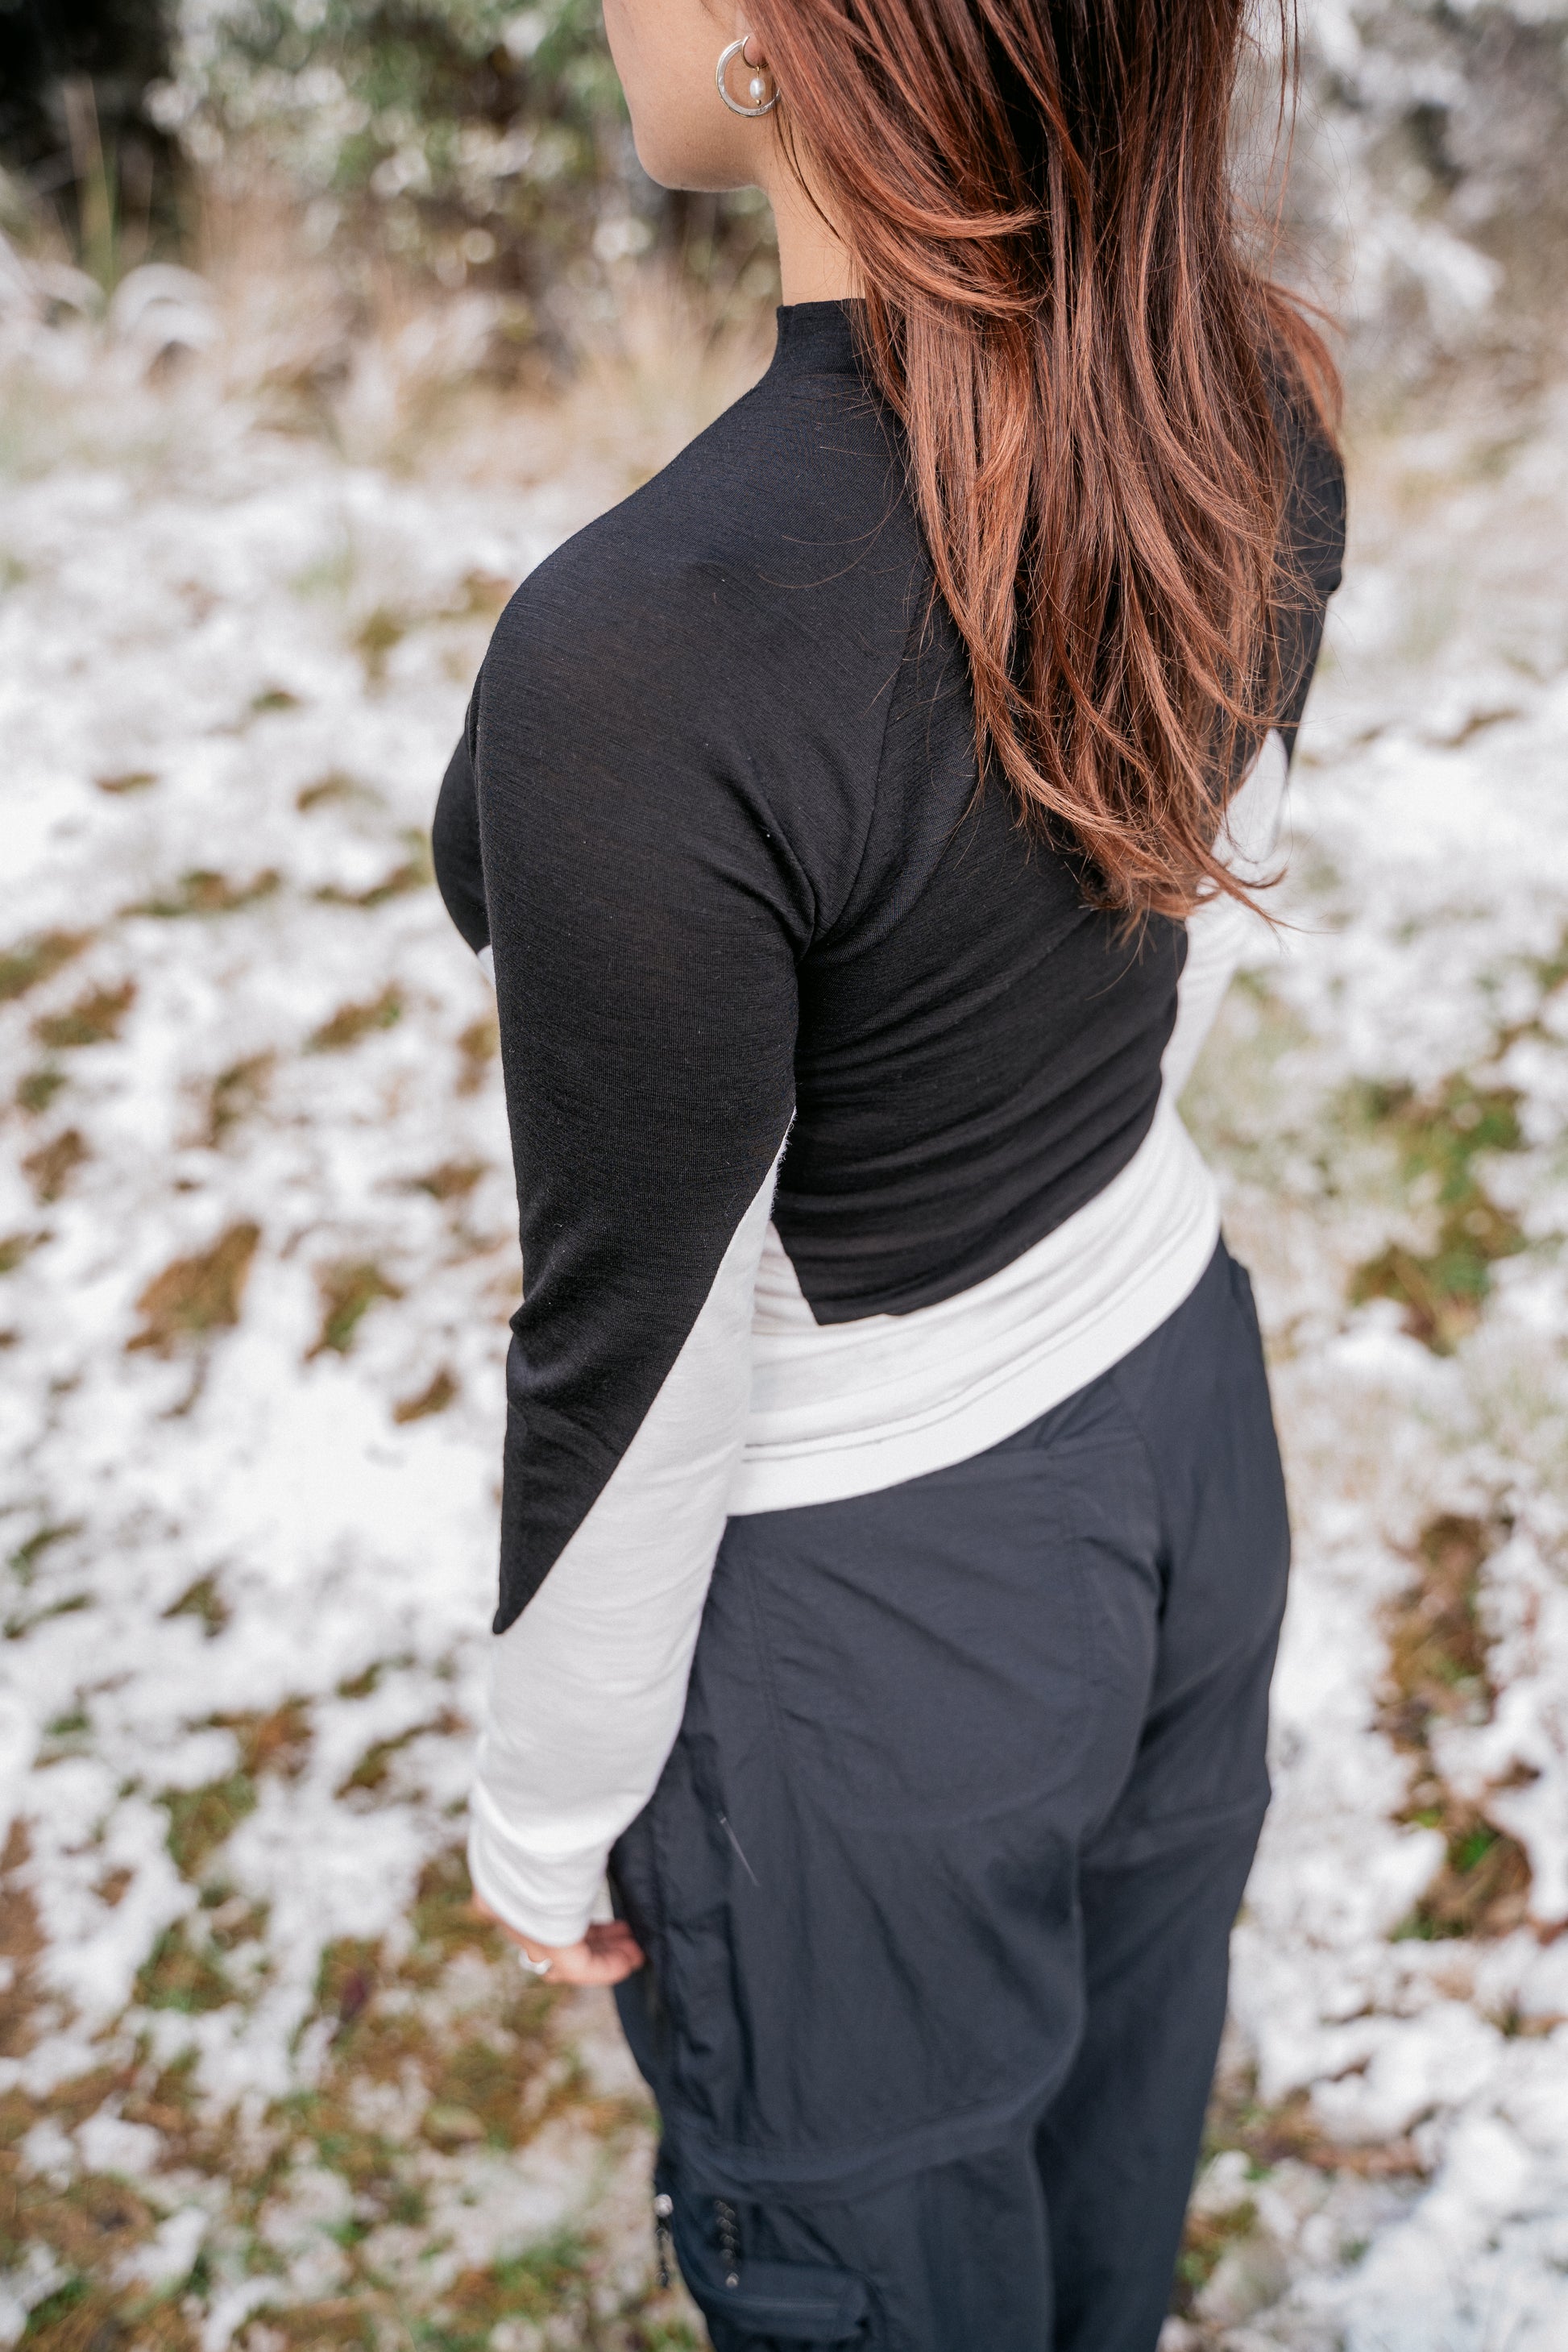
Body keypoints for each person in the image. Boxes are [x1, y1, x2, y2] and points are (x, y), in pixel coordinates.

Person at [432, 2, 1345, 2343]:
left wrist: (542, 1806)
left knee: (894, 2263)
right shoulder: (1240, 405)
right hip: (1174, 1429)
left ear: (778, 37)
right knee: (1103, 2151)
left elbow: (631, 1356)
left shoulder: (648, 644)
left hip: (866, 1631)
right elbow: (1157, 915)